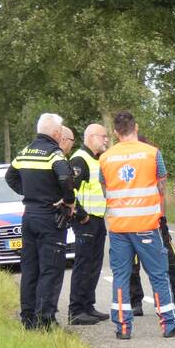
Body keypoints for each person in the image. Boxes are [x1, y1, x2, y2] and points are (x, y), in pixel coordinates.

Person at [98, 111, 175, 339]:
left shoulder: (105, 158)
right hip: (146, 225)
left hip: (119, 227)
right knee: (159, 275)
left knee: (120, 275)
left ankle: (122, 326)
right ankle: (169, 324)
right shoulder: (152, 154)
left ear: (115, 132)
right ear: (136, 127)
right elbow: (161, 186)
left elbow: (105, 190)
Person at [5, 113, 75, 330]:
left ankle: (27, 319)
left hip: (29, 215)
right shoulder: (54, 154)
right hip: (49, 217)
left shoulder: (25, 151)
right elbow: (65, 177)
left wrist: (30, 192)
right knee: (51, 269)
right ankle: (45, 320)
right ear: (55, 133)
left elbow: (10, 176)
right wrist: (68, 201)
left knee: (30, 269)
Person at [129, 134, 175, 316]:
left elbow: (162, 191)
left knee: (170, 260)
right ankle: (135, 302)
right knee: (133, 264)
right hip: (136, 220)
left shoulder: (155, 161)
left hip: (158, 220)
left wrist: (163, 218)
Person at [67, 123, 111, 325]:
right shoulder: (79, 159)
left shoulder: (96, 159)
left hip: (97, 219)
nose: (106, 140)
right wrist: (81, 215)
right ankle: (76, 310)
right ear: (92, 137)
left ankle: (88, 306)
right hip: (85, 221)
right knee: (83, 265)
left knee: (94, 265)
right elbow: (69, 192)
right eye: (103, 136)